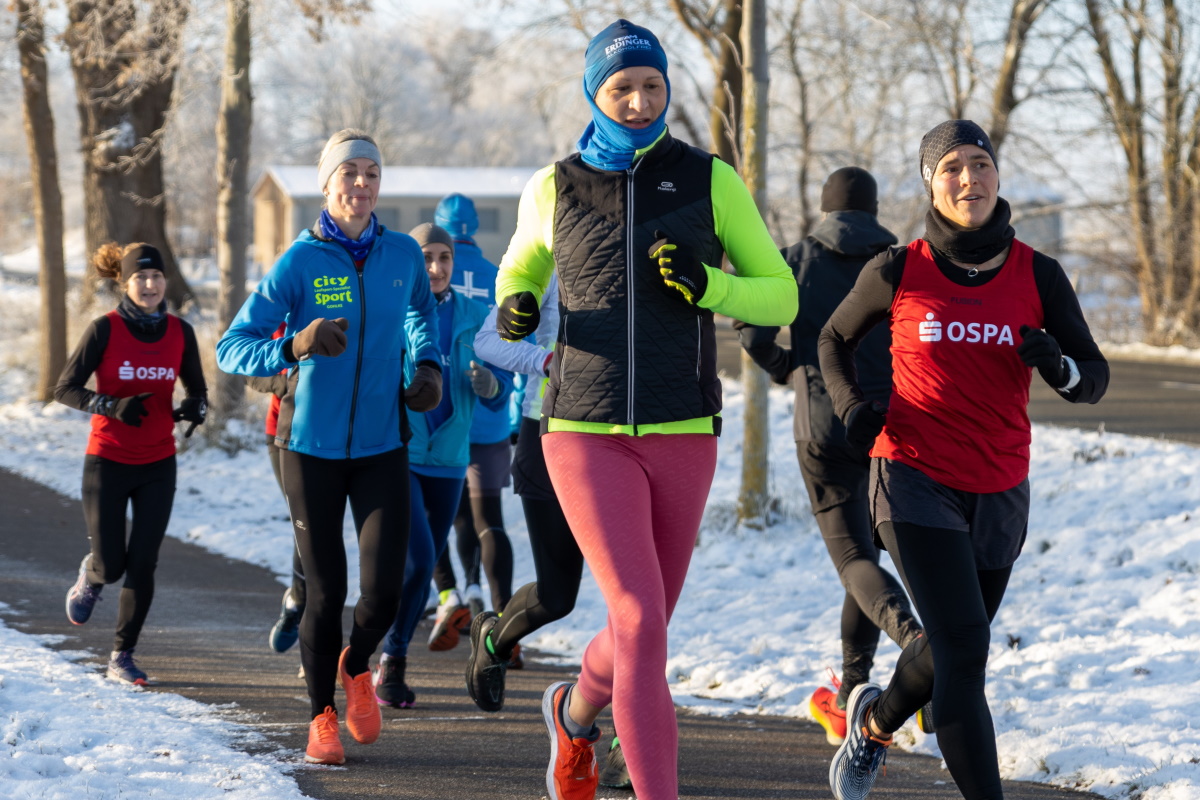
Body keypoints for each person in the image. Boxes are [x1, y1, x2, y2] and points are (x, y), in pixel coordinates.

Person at [492, 20, 797, 800]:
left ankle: (573, 709)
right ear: (594, 93)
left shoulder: (709, 179)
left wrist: (712, 287)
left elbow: (781, 291)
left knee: (644, 627)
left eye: (652, 86)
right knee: (635, 611)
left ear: (668, 91)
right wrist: (520, 304)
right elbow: (519, 267)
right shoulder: (553, 184)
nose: (637, 100)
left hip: (684, 430)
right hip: (583, 429)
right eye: (620, 87)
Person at [820, 120, 1108, 800]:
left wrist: (1060, 367)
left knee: (945, 653)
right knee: (964, 656)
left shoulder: (1039, 272)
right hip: (913, 475)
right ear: (930, 183)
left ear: (997, 177)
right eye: (952, 168)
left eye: (980, 164)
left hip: (1000, 486)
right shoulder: (899, 268)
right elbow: (833, 337)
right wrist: (853, 408)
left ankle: (878, 721)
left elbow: (1093, 376)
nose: (969, 178)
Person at [216, 129, 443, 766]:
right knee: (325, 590)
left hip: (381, 445)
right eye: (350, 173)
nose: (362, 185)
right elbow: (233, 347)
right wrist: (294, 345)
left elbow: (421, 313)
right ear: (327, 183)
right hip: (309, 448)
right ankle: (321, 717)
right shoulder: (299, 261)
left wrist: (426, 367)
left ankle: (356, 663)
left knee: (384, 595)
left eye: (372, 172)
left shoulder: (402, 254)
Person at [734, 167, 923, 745]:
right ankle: (852, 688)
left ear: (824, 207)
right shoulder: (897, 262)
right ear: (872, 209)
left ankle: (914, 642)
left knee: (852, 560)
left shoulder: (796, 259)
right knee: (867, 555)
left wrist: (785, 367)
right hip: (890, 425)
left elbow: (751, 332)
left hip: (820, 423)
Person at [57, 242, 207, 686]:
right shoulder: (104, 329)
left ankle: (122, 655)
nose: (150, 284)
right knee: (113, 564)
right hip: (108, 460)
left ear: (165, 282)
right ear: (124, 282)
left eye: (157, 276)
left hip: (159, 461)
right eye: (140, 277)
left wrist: (195, 408)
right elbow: (65, 388)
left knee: (144, 562)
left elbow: (196, 389)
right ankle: (92, 574)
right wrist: (111, 406)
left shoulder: (181, 332)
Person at [374, 223, 511, 706]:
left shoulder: (479, 317)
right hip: (404, 452)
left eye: (444, 258)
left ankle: (390, 661)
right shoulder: (394, 311)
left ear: (455, 263)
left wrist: (491, 388)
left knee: (419, 566)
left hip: (452, 458)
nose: (434, 268)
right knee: (416, 561)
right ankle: (390, 658)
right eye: (426, 257)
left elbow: (502, 396)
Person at [426, 193, 516, 651]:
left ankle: (450, 594)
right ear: (476, 226)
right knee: (487, 519)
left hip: (443, 416)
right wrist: (506, 400)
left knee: (440, 514)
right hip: (490, 418)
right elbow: (513, 341)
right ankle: (498, 614)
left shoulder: (429, 271)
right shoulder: (498, 276)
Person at [245, 324, 308, 659]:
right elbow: (248, 372)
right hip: (282, 435)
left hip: (331, 439)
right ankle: (299, 601)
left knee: (321, 531)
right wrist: (283, 383)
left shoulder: (334, 305)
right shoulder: (274, 317)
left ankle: (299, 601)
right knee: (308, 520)